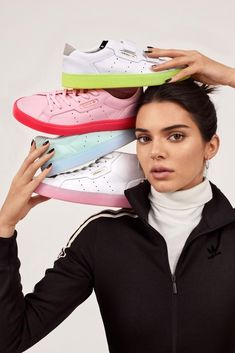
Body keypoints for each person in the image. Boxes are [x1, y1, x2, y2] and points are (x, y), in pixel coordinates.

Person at [0, 48, 235, 353]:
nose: (156, 152)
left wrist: (230, 76)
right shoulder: (102, 236)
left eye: (175, 136)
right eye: (144, 138)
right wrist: (4, 227)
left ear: (210, 146)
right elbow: (10, 339)